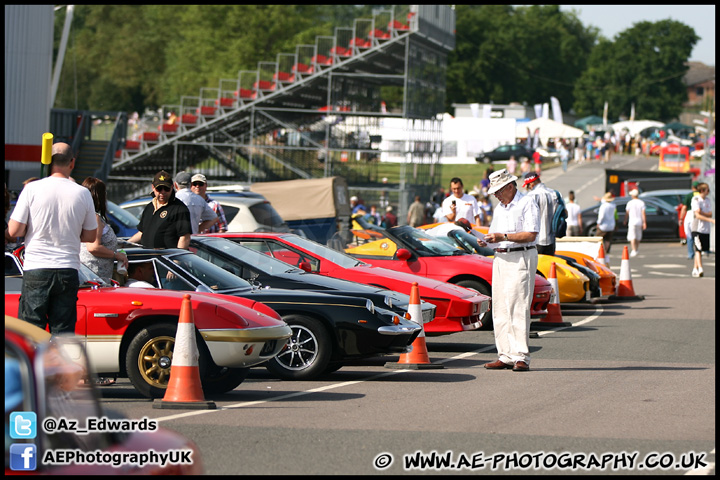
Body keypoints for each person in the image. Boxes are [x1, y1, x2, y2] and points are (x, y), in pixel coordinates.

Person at [8, 142, 98, 334]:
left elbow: (14, 230)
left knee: (31, 330)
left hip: (37, 266)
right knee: (63, 331)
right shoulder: (82, 193)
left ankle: (31, 364)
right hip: (67, 268)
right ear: (72, 163)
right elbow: (91, 236)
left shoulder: (32, 189)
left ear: (48, 161)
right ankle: (60, 364)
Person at [477, 169, 539, 372]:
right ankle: (505, 354)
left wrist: (503, 236)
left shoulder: (526, 202)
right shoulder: (500, 208)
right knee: (501, 307)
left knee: (518, 306)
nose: (496, 195)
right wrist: (487, 240)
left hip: (520, 255)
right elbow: (495, 235)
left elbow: (530, 234)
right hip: (501, 257)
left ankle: (521, 355)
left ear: (510, 187)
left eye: (498, 191)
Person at [79, 177, 129, 283]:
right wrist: (116, 255)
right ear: (99, 196)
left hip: (91, 272)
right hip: (94, 273)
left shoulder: (84, 215)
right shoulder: (95, 217)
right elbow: (93, 247)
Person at [127, 170, 193, 249]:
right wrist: (127, 244)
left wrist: (176, 260)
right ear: (153, 188)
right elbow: (142, 233)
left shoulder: (179, 209)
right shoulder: (149, 207)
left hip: (166, 259)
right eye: (159, 188)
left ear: (172, 187)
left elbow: (184, 237)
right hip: (147, 257)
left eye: (166, 188)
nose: (163, 192)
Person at [522, 172, 559, 255]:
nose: (528, 188)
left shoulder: (531, 196)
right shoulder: (554, 193)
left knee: (537, 267)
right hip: (551, 239)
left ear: (531, 184)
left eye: (527, 186)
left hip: (536, 240)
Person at [690, 182, 714, 277]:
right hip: (697, 228)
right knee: (698, 249)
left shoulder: (707, 200)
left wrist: (703, 213)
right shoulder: (696, 199)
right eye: (707, 189)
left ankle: (695, 268)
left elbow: (709, 213)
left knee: (701, 250)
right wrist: (710, 219)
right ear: (703, 190)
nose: (709, 191)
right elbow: (697, 215)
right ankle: (700, 268)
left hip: (705, 229)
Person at [680, 181, 700, 259]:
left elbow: (684, 207)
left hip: (689, 214)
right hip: (698, 215)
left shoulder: (688, 196)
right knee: (697, 234)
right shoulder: (700, 195)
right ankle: (699, 251)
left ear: (692, 188)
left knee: (689, 235)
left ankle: (690, 253)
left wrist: (681, 218)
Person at [624, 189, 646, 257]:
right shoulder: (641, 202)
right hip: (639, 221)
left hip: (632, 221)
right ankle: (636, 248)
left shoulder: (630, 203)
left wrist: (625, 220)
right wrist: (644, 222)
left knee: (632, 236)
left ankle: (634, 249)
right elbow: (643, 213)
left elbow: (627, 213)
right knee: (638, 235)